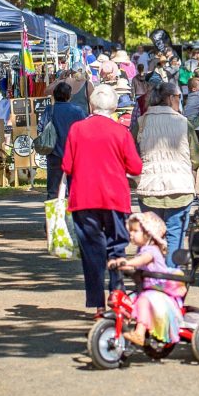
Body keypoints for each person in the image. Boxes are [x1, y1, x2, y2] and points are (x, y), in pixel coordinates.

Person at [62, 84, 143, 316]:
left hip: (84, 198)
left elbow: (67, 165)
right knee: (117, 248)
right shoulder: (121, 132)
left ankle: (97, 303)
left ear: (92, 105)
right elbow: (135, 167)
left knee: (91, 252)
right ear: (115, 107)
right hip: (115, 198)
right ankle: (117, 293)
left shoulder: (77, 129)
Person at [132, 80, 199, 268]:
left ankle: (153, 275)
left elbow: (132, 154)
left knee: (152, 236)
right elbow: (196, 158)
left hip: (149, 188)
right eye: (179, 97)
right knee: (175, 234)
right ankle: (171, 275)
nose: (180, 100)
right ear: (170, 98)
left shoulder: (141, 122)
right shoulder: (183, 123)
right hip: (180, 187)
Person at [108, 212, 186, 346]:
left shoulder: (151, 250)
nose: (131, 234)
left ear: (149, 234)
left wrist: (127, 262)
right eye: (130, 231)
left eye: (135, 231)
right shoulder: (142, 249)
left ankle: (139, 333)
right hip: (147, 290)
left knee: (143, 301)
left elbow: (142, 260)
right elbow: (135, 265)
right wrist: (118, 264)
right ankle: (121, 328)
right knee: (127, 301)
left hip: (158, 292)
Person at [37, 81, 86, 200]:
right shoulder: (77, 111)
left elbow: (41, 128)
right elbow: (85, 131)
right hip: (74, 154)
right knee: (75, 190)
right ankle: (73, 211)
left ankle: (53, 212)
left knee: (53, 191)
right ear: (69, 95)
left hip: (54, 153)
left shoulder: (50, 110)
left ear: (54, 95)